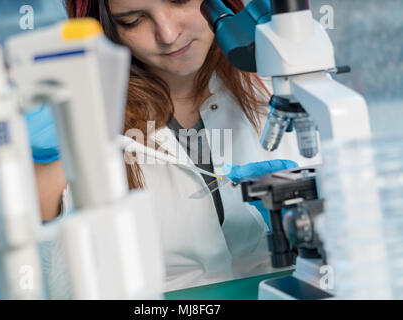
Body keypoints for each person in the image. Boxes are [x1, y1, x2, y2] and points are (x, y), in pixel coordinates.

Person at [31, 0, 321, 297]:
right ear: (106, 27)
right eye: (133, 20)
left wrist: (317, 218)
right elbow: (52, 282)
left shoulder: (282, 82)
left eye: (180, 1)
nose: (168, 34)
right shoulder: (70, 121)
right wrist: (44, 163)